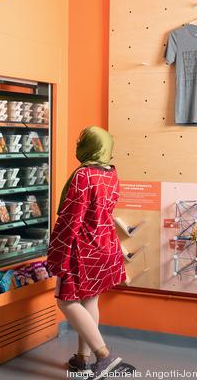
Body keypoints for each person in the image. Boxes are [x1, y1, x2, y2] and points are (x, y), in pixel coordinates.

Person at [47, 126, 129, 379]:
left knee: (66, 301)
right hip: (105, 244)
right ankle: (82, 360)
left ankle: (105, 357)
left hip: (82, 248)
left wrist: (56, 248)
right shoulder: (111, 174)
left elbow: (72, 218)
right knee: (89, 299)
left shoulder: (83, 175)